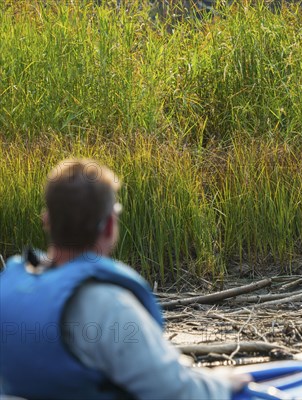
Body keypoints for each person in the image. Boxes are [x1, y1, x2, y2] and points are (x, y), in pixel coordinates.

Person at [0, 158, 251, 399]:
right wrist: (221, 382)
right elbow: (177, 394)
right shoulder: (109, 305)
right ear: (110, 225)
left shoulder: (7, 291)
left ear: (47, 221)